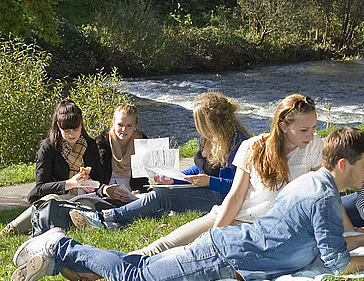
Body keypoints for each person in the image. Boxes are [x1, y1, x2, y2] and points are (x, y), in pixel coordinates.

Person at [9, 127, 364, 281]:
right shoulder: (321, 194)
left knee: (134, 267)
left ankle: (53, 261)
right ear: (343, 165)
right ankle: (60, 245)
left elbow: (316, 236)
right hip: (221, 254)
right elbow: (336, 266)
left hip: (228, 253)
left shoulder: (315, 185)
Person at [132, 94, 323, 256]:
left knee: (187, 255)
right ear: (283, 126)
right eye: (304, 130)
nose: (311, 134)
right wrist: (215, 234)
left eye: (314, 127)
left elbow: (319, 195)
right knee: (163, 246)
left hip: (264, 230)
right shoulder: (253, 147)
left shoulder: (313, 146)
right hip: (230, 214)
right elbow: (236, 195)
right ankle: (106, 268)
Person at [69, 92, 250, 230]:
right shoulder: (209, 137)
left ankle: (105, 219)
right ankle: (114, 219)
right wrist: (175, 178)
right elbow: (200, 167)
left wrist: (209, 181)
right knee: (160, 190)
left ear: (214, 122)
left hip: (223, 197)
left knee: (164, 196)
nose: (199, 128)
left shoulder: (237, 143)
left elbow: (236, 188)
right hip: (208, 188)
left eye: (201, 123)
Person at [0, 100, 133, 245]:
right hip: (54, 198)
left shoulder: (90, 145)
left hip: (82, 198)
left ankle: (39, 227)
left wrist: (98, 187)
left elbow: (98, 179)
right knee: (52, 201)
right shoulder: (48, 148)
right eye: (66, 130)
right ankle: (5, 233)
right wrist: (69, 184)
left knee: (86, 205)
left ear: (82, 126)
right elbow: (40, 187)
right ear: (58, 127)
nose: (72, 134)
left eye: (76, 129)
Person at [95, 104, 151, 194]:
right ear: (113, 123)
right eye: (120, 125)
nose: (124, 130)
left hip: (134, 197)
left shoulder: (143, 144)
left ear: (136, 125)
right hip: (106, 197)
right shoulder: (99, 144)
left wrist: (139, 191)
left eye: (129, 126)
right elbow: (94, 180)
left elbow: (143, 180)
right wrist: (104, 190)